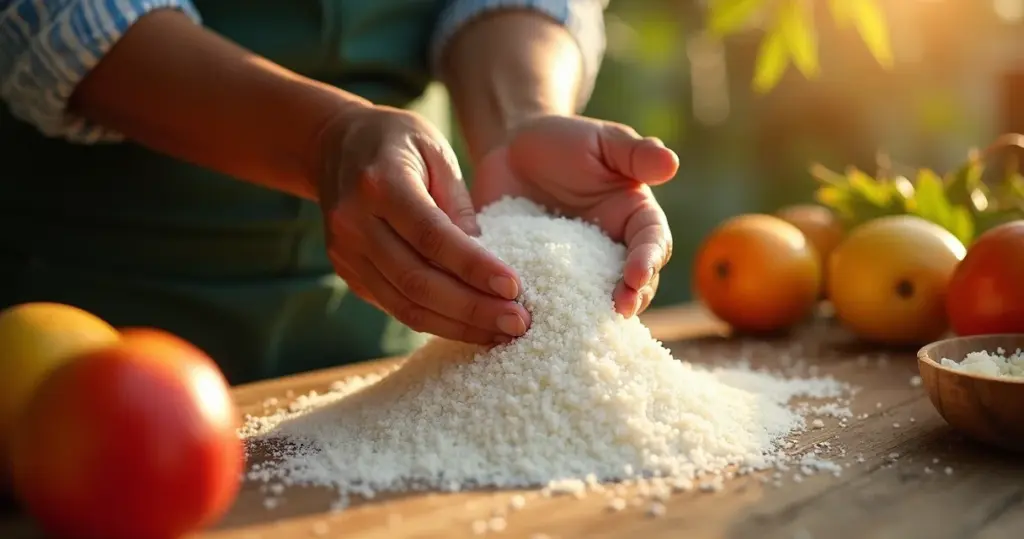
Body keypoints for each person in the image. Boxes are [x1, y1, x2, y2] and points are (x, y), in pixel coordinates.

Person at [0, 0, 680, 385]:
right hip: (93, 336)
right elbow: (50, 17)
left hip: (393, 343)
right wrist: (324, 140)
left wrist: (518, 123)